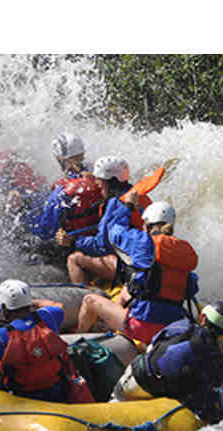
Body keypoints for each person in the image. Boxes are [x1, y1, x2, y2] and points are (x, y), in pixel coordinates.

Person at [75, 199, 199, 346]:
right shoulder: (182, 254)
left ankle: (76, 339)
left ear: (148, 225)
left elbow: (114, 232)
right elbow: (191, 288)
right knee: (127, 290)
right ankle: (108, 326)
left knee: (90, 300)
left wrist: (128, 206)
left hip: (143, 327)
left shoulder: (144, 242)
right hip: (172, 327)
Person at [111, 301, 223, 424]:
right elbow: (208, 398)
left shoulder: (184, 325)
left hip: (137, 378)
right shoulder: (218, 363)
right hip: (164, 397)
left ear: (203, 318)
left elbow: (153, 344)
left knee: (118, 397)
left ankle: (113, 402)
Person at [55, 156, 151, 285]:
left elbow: (102, 245)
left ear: (110, 181)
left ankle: (86, 296)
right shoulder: (135, 193)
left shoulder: (116, 203)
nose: (97, 183)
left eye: (99, 179)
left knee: (74, 258)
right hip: (146, 259)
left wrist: (73, 242)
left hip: (133, 266)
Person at [20, 132, 103, 243]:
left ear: (61, 159)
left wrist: (21, 212)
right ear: (83, 154)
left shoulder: (63, 192)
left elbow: (45, 231)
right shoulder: (102, 176)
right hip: (100, 236)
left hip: (73, 243)